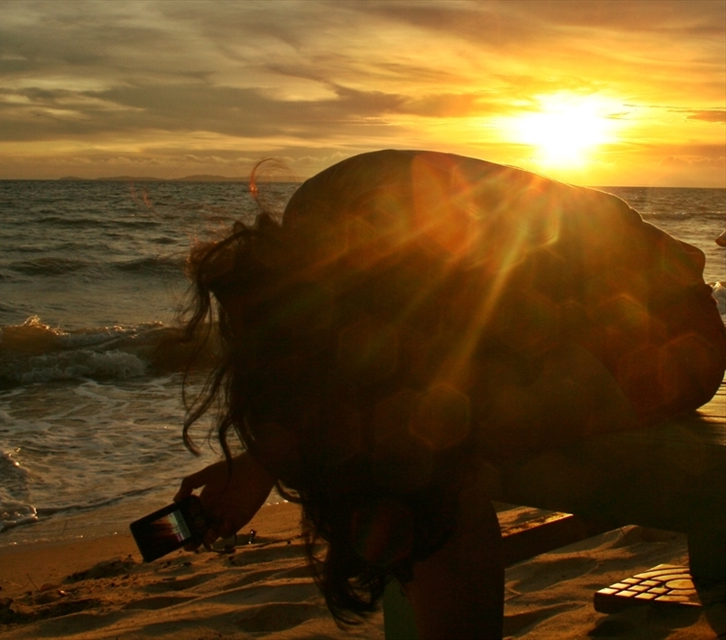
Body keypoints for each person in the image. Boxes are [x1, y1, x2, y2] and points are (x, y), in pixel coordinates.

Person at [173, 150, 726, 638]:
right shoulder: (332, 222)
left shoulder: (367, 228)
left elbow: (438, 368)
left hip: (665, 335)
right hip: (596, 323)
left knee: (421, 461)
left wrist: (280, 453)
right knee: (401, 448)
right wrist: (263, 460)